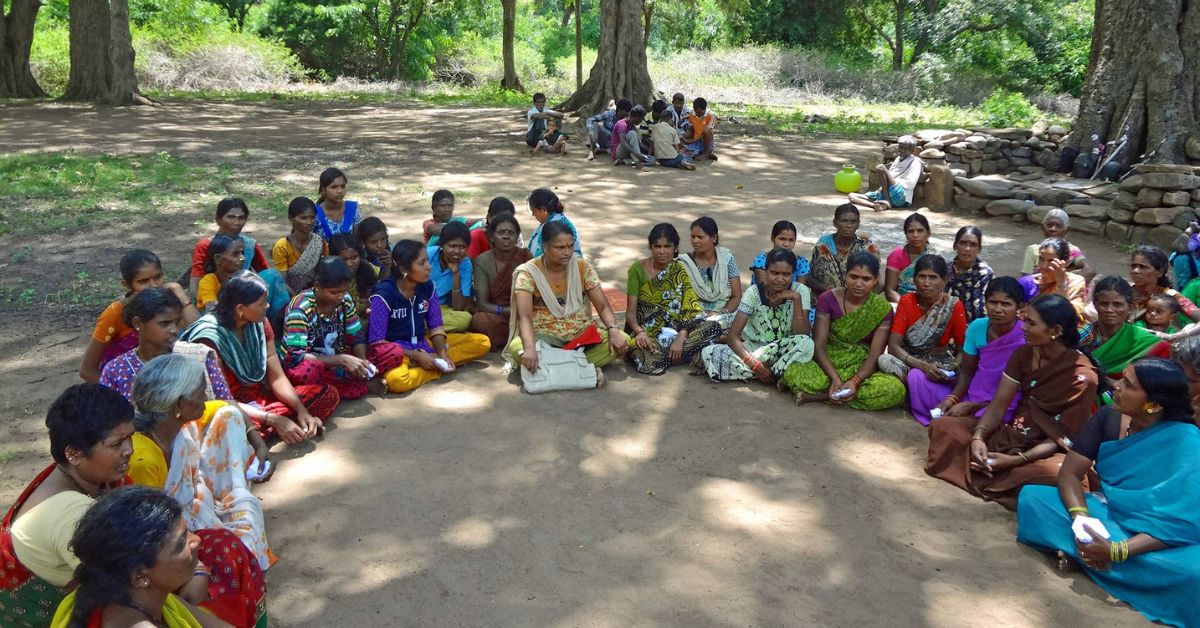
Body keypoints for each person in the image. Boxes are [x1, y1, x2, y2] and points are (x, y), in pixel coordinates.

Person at [1016, 358, 1200, 628]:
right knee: (1033, 498)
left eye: (1128, 385)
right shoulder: (1108, 418)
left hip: (1160, 539)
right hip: (1108, 515)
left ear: (1155, 405)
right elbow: (1069, 474)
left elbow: (1180, 523)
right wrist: (1081, 518)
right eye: (1121, 379)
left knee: (1193, 574)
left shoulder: (1187, 441)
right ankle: (1096, 555)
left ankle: (1092, 557)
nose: (1116, 387)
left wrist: (1117, 550)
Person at [925, 294, 1099, 510]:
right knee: (944, 427)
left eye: (1031, 323)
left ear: (1055, 331)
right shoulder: (1023, 354)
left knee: (1055, 474)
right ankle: (999, 475)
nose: (1023, 327)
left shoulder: (1082, 377)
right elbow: (999, 406)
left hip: (1045, 448)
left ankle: (1001, 474)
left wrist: (1017, 460)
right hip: (1012, 431)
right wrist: (979, 437)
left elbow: (1062, 438)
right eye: (1024, 320)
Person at [128, 355, 274, 593]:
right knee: (231, 548)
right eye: (200, 391)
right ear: (178, 405)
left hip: (199, 508)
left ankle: (247, 579)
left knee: (246, 505)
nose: (206, 397)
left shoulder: (173, 424)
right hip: (171, 536)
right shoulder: (142, 460)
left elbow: (228, 406)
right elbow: (152, 531)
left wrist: (258, 445)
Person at [0, 385, 133, 628]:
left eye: (130, 438)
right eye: (116, 444)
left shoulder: (70, 476)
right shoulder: (72, 514)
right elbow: (130, 585)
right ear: (73, 454)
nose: (130, 450)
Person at [179, 271, 338, 444]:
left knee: (328, 394)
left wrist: (302, 411)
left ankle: (277, 427)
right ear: (240, 309)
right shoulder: (210, 339)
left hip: (260, 400)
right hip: (231, 407)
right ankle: (268, 430)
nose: (268, 306)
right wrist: (274, 419)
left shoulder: (260, 323)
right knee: (230, 428)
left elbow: (277, 377)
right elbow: (223, 400)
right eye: (262, 303)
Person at [51, 486, 241, 628]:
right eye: (181, 542)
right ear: (140, 576)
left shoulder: (139, 595)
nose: (197, 540)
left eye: (188, 532)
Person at [505, 221, 630, 378]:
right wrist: (530, 349)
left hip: (581, 333)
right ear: (545, 247)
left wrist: (613, 329)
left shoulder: (581, 267)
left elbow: (603, 306)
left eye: (570, 246)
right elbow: (524, 317)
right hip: (545, 335)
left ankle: (556, 367)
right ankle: (584, 367)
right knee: (517, 348)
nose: (567, 252)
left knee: (623, 339)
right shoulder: (529, 273)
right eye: (560, 248)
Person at [783, 252, 905, 410]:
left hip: (860, 364)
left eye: (866, 279)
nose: (858, 283)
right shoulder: (828, 299)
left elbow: (875, 355)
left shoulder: (882, 309)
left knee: (894, 389)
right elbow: (818, 345)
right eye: (853, 277)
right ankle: (840, 391)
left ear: (875, 281)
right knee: (793, 371)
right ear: (845, 277)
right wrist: (835, 378)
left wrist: (855, 380)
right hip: (828, 360)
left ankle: (824, 396)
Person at [369, 240, 491, 393]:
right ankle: (433, 367)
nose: (428, 266)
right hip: (399, 351)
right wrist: (416, 356)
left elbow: (435, 325)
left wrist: (442, 353)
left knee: (482, 342)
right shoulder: (383, 295)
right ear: (403, 269)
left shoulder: (428, 286)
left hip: (424, 343)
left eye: (427, 260)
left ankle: (436, 362)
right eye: (422, 263)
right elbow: (377, 342)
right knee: (397, 380)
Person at [283, 257, 403, 400]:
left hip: (341, 361)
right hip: (315, 365)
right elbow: (297, 356)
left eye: (343, 290)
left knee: (394, 351)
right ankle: (360, 387)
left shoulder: (345, 299)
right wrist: (342, 359)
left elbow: (356, 336)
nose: (340, 296)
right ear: (317, 286)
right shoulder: (300, 307)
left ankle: (342, 386)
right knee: (307, 372)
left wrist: (362, 361)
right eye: (334, 292)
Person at [913, 277, 1026, 426]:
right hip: (972, 393)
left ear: (1019, 307)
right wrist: (951, 399)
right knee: (916, 378)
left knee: (950, 425)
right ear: (985, 303)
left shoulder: (1026, 335)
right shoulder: (977, 327)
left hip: (1005, 403)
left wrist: (975, 406)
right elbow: (967, 371)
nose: (998, 309)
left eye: (1006, 304)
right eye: (993, 302)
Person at [80, 250, 197, 384]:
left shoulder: (169, 305)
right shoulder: (114, 314)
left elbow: (198, 334)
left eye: (158, 277)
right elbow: (87, 370)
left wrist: (179, 293)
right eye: (143, 281)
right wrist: (118, 393)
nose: (154, 285)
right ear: (127, 285)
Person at [700, 248, 813, 382]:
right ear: (766, 271)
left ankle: (770, 373)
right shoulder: (753, 293)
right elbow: (732, 337)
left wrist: (796, 299)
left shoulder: (800, 291)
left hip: (785, 349)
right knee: (709, 353)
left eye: (786, 274)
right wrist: (756, 365)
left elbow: (802, 334)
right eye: (774, 273)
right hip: (756, 350)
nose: (780, 279)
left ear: (793, 274)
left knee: (807, 343)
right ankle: (776, 373)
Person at [626, 223, 722, 375]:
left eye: (667, 246)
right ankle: (683, 355)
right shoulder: (637, 269)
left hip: (676, 330)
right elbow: (630, 314)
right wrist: (639, 332)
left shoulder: (678, 270)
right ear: (651, 247)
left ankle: (672, 353)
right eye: (657, 246)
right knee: (642, 356)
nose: (662, 252)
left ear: (675, 248)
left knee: (713, 327)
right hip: (648, 334)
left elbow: (690, 308)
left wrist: (681, 337)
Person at [878, 255, 967, 385]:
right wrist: (923, 366)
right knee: (884, 360)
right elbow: (893, 346)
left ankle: (916, 385)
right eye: (922, 276)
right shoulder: (907, 301)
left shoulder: (953, 306)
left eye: (933, 278)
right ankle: (918, 383)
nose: (926, 283)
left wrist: (951, 369)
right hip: (909, 361)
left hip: (939, 362)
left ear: (944, 281)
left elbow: (962, 350)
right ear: (914, 279)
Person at [1078, 276, 1171, 380]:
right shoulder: (1080, 337)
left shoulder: (1146, 343)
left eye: (1117, 305)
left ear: (1130, 307)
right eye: (1104, 304)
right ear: (1095, 305)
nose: (1109, 309)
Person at [187, 198, 272, 297]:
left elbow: (266, 273)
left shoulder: (249, 245)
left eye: (241, 218)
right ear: (218, 220)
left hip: (244, 295)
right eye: (231, 217)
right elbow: (196, 281)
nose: (236, 222)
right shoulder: (205, 245)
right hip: (212, 295)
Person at [469, 213, 531, 350]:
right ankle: (519, 337)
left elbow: (535, 294)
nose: (506, 236)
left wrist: (519, 311)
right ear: (491, 236)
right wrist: (505, 310)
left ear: (517, 237)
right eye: (501, 232)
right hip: (498, 314)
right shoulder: (482, 261)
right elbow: (482, 303)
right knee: (480, 321)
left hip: (523, 311)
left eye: (511, 233)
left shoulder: (526, 257)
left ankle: (520, 336)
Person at [677, 216, 742, 329]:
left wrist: (721, 314)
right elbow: (680, 300)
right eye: (693, 237)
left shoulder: (726, 259)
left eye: (700, 237)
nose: (695, 241)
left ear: (714, 238)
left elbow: (736, 296)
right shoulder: (683, 263)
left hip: (723, 316)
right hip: (693, 319)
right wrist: (700, 316)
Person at [808, 204, 880, 294]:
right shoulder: (822, 246)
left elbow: (877, 282)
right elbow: (809, 276)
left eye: (853, 222)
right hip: (825, 298)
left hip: (859, 299)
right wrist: (826, 289)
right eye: (844, 221)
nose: (848, 226)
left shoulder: (868, 248)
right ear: (835, 223)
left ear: (858, 225)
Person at [1018, 238, 1088, 323]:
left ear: (1065, 262)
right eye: (1041, 259)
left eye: (1051, 261)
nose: (1044, 265)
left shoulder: (1076, 282)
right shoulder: (1028, 283)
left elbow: (1072, 318)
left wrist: (1062, 285)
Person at [1128, 244, 1200, 326]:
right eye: (1133, 266)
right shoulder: (1122, 291)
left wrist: (1179, 335)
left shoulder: (1171, 295)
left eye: (1143, 267)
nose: (1135, 271)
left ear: (1160, 272)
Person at [1020, 209, 1096, 285]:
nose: (1053, 229)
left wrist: (1067, 285)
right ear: (1043, 228)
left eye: (1058, 226)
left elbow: (1090, 270)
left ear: (1066, 231)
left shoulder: (1072, 249)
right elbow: (1027, 277)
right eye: (1050, 225)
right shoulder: (1034, 249)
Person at [849, 135, 923, 211]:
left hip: (901, 196)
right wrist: (883, 188)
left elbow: (910, 183)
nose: (902, 150)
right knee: (851, 196)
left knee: (880, 167)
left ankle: (887, 201)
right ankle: (876, 206)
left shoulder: (916, 162)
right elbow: (890, 175)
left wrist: (891, 183)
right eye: (901, 147)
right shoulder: (898, 158)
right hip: (886, 193)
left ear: (912, 151)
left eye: (906, 149)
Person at [272, 197, 328, 296]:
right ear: (291, 218)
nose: (309, 222)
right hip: (289, 296)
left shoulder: (319, 243)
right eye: (303, 218)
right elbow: (281, 283)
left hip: (314, 293)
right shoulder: (282, 246)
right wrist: (298, 299)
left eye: (312, 217)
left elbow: (322, 273)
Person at [426, 221, 476, 332]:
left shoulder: (466, 265)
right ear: (442, 245)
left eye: (462, 247)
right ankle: (429, 327)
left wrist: (456, 273)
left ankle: (424, 327)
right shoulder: (428, 254)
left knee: (465, 319)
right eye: (452, 246)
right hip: (420, 305)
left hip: (441, 308)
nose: (457, 251)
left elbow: (458, 307)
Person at [884, 212, 937, 303]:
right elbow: (890, 291)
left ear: (928, 233)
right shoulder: (896, 256)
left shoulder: (935, 257)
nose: (915, 235)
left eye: (920, 231)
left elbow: (939, 290)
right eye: (911, 231)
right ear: (905, 234)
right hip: (901, 303)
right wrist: (907, 306)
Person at [945, 226, 993, 322]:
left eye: (973, 245)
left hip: (975, 327)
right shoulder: (945, 270)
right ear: (955, 246)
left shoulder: (985, 274)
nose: (967, 248)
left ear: (979, 249)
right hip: (947, 327)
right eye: (963, 243)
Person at [328, 233, 379, 318]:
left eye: (354, 258)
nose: (350, 264)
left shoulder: (367, 269)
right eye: (344, 259)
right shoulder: (328, 279)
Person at [750, 220, 809, 288]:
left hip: (791, 298)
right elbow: (764, 289)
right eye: (782, 239)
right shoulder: (762, 260)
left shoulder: (801, 263)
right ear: (772, 238)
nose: (786, 244)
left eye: (791, 240)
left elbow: (799, 290)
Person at [527, 188, 581, 258]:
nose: (533, 215)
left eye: (534, 211)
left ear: (544, 209)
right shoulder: (553, 220)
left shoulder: (555, 228)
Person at [195, 235, 245, 310]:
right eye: (235, 254)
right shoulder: (208, 282)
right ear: (217, 258)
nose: (242, 258)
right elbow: (212, 311)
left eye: (242, 253)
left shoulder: (242, 278)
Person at [314, 167, 360, 239]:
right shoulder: (315, 214)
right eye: (334, 187)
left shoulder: (352, 209)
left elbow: (358, 240)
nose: (340, 191)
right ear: (323, 190)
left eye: (343, 186)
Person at [355, 216, 393, 280]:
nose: (379, 245)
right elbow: (380, 283)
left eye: (383, 239)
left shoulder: (392, 251)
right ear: (363, 242)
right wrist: (387, 266)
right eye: (373, 242)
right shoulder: (362, 260)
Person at [680, 97, 718, 161]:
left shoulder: (712, 115)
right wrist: (685, 137)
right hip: (695, 141)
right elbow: (690, 130)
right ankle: (702, 153)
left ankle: (706, 153)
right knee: (682, 151)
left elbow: (706, 133)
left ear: (704, 109)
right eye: (696, 112)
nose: (697, 114)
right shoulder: (692, 114)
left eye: (699, 112)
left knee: (707, 130)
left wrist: (693, 140)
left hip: (706, 141)